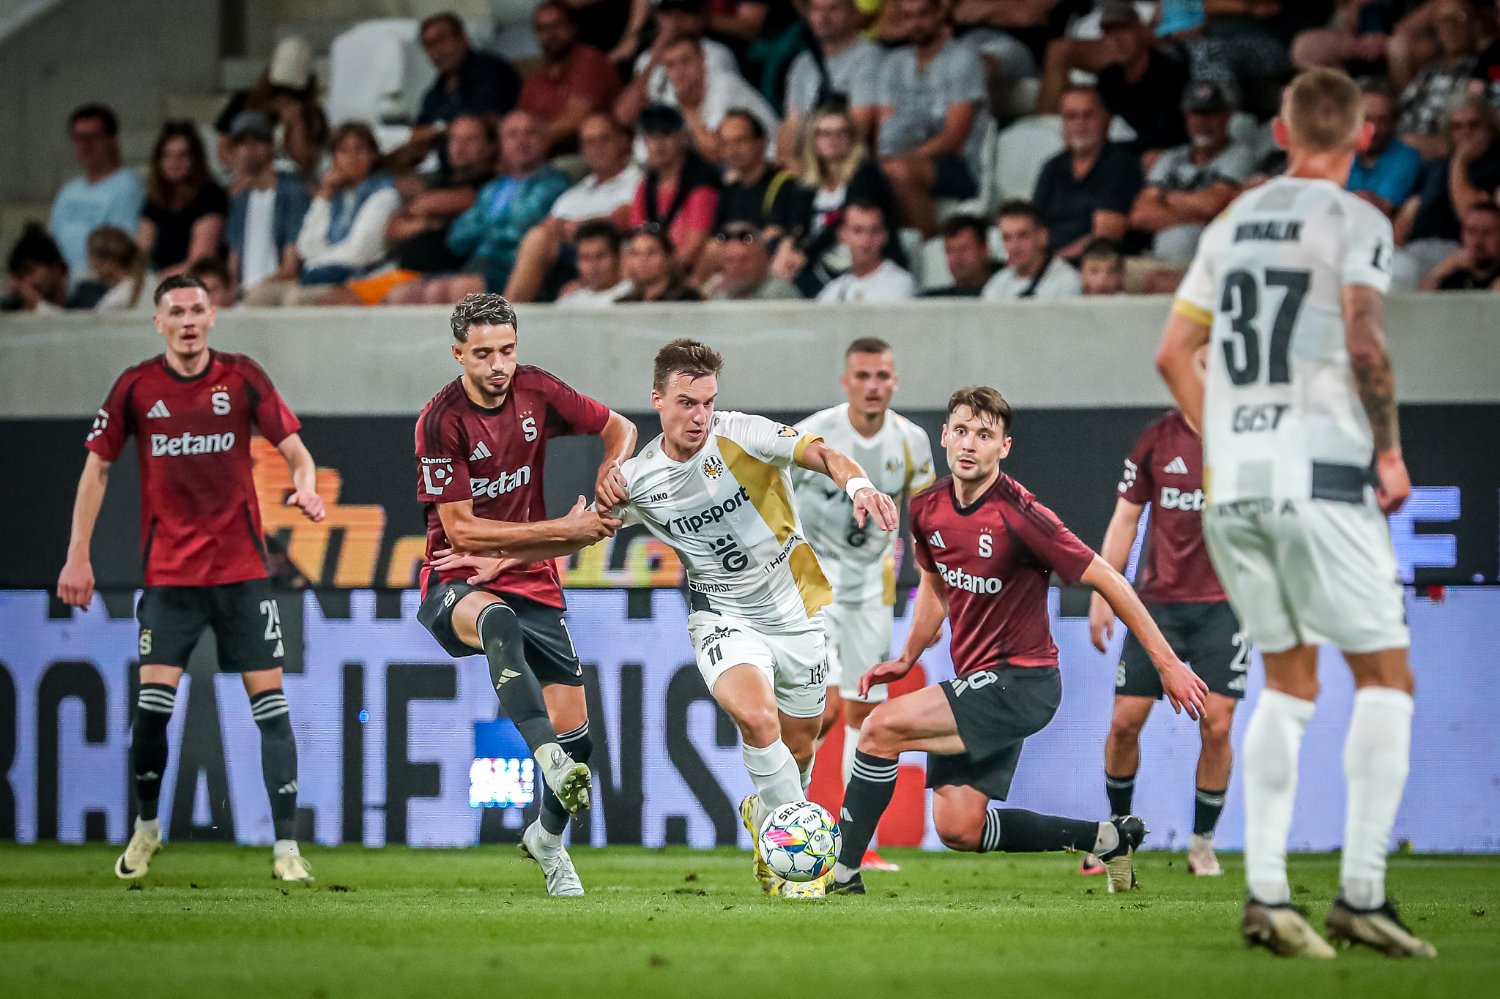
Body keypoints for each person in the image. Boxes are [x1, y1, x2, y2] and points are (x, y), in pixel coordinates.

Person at [1157, 67, 1437, 959]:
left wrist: (1228, 436)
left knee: (1288, 681)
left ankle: (1269, 894)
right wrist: (1388, 452)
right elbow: (1364, 337)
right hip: (1320, 474)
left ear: (1279, 134)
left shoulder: (1231, 222)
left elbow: (1173, 352)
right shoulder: (1357, 218)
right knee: (1386, 677)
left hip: (1235, 485)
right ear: (1362, 138)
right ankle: (1362, 893)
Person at [827, 386, 1208, 897]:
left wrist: (1167, 664)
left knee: (878, 728)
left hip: (1023, 683)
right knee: (959, 828)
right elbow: (936, 585)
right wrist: (907, 657)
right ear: (944, 436)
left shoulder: (1022, 515)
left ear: (1004, 447)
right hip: (978, 680)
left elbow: (1109, 580)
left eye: (985, 435)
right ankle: (1108, 838)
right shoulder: (928, 508)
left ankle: (842, 876)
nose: (970, 444)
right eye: (962, 431)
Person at [599, 338, 899, 896]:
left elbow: (824, 455)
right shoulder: (637, 480)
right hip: (723, 616)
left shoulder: (743, 434)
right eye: (686, 403)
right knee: (758, 719)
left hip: (796, 612)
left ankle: (766, 816)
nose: (699, 416)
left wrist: (858, 485)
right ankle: (800, 870)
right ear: (657, 400)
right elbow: (581, 528)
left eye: (707, 402)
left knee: (801, 746)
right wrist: (497, 554)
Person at [56, 274, 326, 883]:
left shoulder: (241, 376)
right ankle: (147, 827)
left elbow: (295, 450)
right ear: (158, 322)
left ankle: (286, 847)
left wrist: (306, 487)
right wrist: (78, 555)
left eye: (197, 310)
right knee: (152, 712)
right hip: (170, 578)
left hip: (242, 574)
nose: (187, 321)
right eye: (175, 312)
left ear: (212, 316)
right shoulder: (136, 387)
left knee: (271, 710)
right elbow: (96, 470)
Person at [412, 293, 637, 896]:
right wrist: (566, 529)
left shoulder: (537, 390)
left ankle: (547, 840)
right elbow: (463, 532)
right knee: (498, 623)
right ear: (458, 354)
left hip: (532, 577)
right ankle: (546, 758)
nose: (498, 366)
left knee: (580, 741)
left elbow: (621, 428)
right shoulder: (441, 421)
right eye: (483, 354)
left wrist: (609, 474)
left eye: (507, 351)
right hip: (456, 578)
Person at [1083, 376, 1247, 880]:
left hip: (1226, 606)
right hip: (1157, 608)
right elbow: (1125, 520)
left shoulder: (1247, 439)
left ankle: (1202, 845)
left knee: (1217, 724)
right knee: (1124, 723)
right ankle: (1116, 835)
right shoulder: (1157, 439)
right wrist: (1103, 591)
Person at [793, 338, 934, 872]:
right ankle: (786, 823)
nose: (873, 386)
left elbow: (926, 521)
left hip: (872, 590)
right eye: (863, 376)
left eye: (882, 376)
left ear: (894, 382)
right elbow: (772, 490)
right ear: (845, 382)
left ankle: (855, 844)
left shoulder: (912, 442)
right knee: (819, 709)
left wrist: (932, 587)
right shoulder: (817, 433)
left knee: (863, 714)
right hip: (813, 582)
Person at [393, 111, 569, 305]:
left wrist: (483, 223)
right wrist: (497, 222)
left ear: (545, 141)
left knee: (445, 291)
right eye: (512, 134)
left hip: (512, 267)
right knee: (402, 294)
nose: (521, 141)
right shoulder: (492, 188)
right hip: (476, 264)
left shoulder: (554, 183)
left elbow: (522, 225)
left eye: (530, 133)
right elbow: (457, 238)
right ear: (502, 143)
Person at [323, 112, 498, 306]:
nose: (459, 147)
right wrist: (428, 223)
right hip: (398, 267)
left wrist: (423, 212)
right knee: (333, 298)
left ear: (490, 147)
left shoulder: (491, 185)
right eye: (454, 139)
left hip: (433, 273)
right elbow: (393, 228)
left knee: (341, 301)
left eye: (470, 139)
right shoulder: (439, 179)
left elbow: (445, 202)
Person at [243, 123, 400, 306]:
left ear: (373, 155)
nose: (352, 157)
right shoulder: (333, 195)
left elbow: (359, 252)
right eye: (344, 151)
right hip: (319, 275)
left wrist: (319, 261)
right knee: (257, 297)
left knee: (297, 299)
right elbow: (306, 247)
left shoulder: (384, 194)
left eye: (359, 150)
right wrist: (324, 194)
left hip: (357, 277)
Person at [875, 0, 992, 236]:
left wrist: (900, 160)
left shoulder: (963, 60)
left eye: (923, 15)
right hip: (904, 158)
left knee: (900, 171)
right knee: (864, 174)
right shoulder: (893, 64)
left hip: (959, 164)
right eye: (908, 17)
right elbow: (886, 128)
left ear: (940, 13)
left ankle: (927, 245)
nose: (916, 24)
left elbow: (953, 138)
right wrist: (884, 160)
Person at [504, 114, 642, 304]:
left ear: (623, 141)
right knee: (536, 238)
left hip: (612, 256)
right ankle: (508, 314)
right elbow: (547, 227)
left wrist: (571, 227)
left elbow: (619, 220)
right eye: (590, 142)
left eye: (605, 139)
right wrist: (576, 226)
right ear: (582, 150)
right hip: (571, 261)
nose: (598, 148)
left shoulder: (637, 180)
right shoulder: (576, 191)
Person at [774, 104, 905, 297]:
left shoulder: (867, 176)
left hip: (862, 265)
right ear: (813, 140)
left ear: (852, 139)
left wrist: (803, 254)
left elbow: (845, 222)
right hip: (817, 267)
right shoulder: (806, 185)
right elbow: (795, 225)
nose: (832, 139)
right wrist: (786, 247)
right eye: (825, 134)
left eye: (841, 133)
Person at [1040, 2, 1190, 158]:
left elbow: (1167, 136)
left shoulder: (1168, 73)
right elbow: (1099, 125)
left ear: (1140, 32)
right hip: (1131, 152)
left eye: (1123, 30)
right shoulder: (1110, 78)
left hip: (1172, 152)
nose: (1116, 39)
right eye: (1109, 33)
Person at [1130, 79, 1256, 265]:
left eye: (1211, 114)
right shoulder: (1171, 157)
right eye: (1196, 113)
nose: (1202, 122)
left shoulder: (1239, 155)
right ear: (1186, 116)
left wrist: (1165, 198)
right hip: (1162, 261)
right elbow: (1140, 215)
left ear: (1227, 116)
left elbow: (1214, 205)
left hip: (1213, 262)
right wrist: (1201, 216)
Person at [1394, 94, 1500, 286]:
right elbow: (1408, 214)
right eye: (1457, 127)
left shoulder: (1495, 165)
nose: (1466, 133)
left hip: (1462, 252)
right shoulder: (1434, 167)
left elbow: (1470, 216)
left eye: (1474, 125)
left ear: (1489, 129)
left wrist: (1459, 161)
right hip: (1415, 250)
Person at [393, 12, 520, 169]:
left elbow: (485, 121)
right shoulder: (435, 92)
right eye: (429, 45)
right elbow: (419, 134)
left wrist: (438, 129)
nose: (437, 50)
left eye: (442, 40)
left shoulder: (491, 70)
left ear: (462, 38)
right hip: (450, 170)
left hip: (492, 167)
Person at [694, 110, 808, 284]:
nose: (732, 150)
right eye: (725, 144)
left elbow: (781, 237)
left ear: (760, 143)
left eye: (740, 141)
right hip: (730, 278)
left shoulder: (785, 185)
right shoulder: (729, 190)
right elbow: (717, 238)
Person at [1032, 86, 1141, 260]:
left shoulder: (1119, 165)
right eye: (1071, 116)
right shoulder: (1052, 167)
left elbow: (1105, 236)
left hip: (1095, 264)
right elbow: (1033, 225)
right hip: (1049, 262)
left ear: (1105, 119)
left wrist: (1053, 264)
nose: (1079, 124)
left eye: (1088, 115)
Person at [778, 0, 886, 165]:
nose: (823, 17)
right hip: (807, 161)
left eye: (834, 9)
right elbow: (792, 124)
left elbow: (860, 124)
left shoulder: (870, 57)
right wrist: (788, 159)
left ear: (852, 13)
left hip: (849, 161)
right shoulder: (802, 63)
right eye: (817, 9)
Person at [648, 33, 781, 164]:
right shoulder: (669, 98)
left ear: (702, 60)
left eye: (686, 61)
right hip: (737, 166)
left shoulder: (725, 85)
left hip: (771, 159)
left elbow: (714, 151)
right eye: (671, 65)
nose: (679, 71)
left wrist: (688, 108)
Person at [50, 104, 146, 282]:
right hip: (63, 285)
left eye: (92, 137)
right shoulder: (68, 191)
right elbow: (53, 243)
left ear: (113, 139)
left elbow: (120, 250)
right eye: (78, 138)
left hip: (102, 283)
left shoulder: (127, 186)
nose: (85, 145)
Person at [224, 111, 312, 299]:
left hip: (278, 292)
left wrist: (254, 291)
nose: (249, 149)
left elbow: (291, 265)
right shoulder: (239, 199)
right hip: (243, 295)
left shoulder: (293, 191)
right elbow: (234, 257)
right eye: (241, 142)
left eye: (257, 140)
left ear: (271, 146)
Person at [212, 36, 328, 178]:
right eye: (278, 88)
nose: (283, 93)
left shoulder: (313, 115)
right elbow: (224, 151)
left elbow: (305, 160)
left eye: (292, 90)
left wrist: (296, 123)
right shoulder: (243, 101)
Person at [519, 1, 622, 154]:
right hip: (546, 156)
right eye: (543, 28)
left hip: (591, 152)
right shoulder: (533, 80)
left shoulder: (589, 60)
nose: (551, 34)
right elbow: (521, 124)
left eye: (557, 25)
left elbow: (577, 118)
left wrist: (531, 139)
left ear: (572, 27)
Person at [616, 0, 740, 126]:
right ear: (657, 17)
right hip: (655, 132)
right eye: (668, 12)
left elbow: (715, 119)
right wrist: (653, 62)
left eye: (686, 10)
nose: (676, 18)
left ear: (701, 17)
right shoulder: (647, 58)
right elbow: (623, 116)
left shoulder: (715, 53)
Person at [629, 104, 722, 272]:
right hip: (654, 269)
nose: (658, 144)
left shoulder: (702, 183)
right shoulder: (646, 185)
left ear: (682, 136)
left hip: (689, 273)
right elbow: (637, 237)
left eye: (666, 134)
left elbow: (693, 249)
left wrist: (657, 275)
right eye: (651, 136)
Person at [138, 121, 229, 277]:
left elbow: (199, 262)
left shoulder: (210, 196)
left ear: (195, 159)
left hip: (195, 281)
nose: (174, 162)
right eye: (167, 155)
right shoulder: (155, 200)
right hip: (159, 281)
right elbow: (140, 253)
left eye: (182, 155)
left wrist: (151, 282)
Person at [1396, 0, 1481, 160]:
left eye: (1459, 17)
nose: (1451, 26)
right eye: (1443, 20)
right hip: (1405, 151)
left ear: (1473, 25)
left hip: (1447, 157)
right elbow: (1402, 109)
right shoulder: (1429, 70)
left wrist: (1442, 146)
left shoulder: (1482, 69)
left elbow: (1480, 131)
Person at [1348, 80, 1423, 218]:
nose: (1374, 129)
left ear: (1394, 123)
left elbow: (1379, 210)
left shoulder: (1406, 157)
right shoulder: (1336, 153)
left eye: (1382, 120)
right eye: (1366, 119)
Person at [815, 201, 916, 302]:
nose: (866, 240)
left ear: (885, 235)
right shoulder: (833, 289)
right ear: (842, 234)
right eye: (858, 230)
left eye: (874, 231)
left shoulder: (899, 283)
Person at [981, 200, 1081, 300]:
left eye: (1022, 235)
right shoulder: (997, 283)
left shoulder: (1067, 281)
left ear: (1042, 236)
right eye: (1007, 238)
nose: (1014, 246)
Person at [702, 222, 802, 299]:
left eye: (744, 259)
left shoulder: (778, 295)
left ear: (763, 261)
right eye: (730, 261)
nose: (737, 266)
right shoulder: (721, 295)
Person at [2, 224, 83, 312]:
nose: (27, 282)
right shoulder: (11, 304)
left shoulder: (87, 298)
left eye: (30, 271)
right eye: (21, 276)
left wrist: (40, 307)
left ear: (56, 268)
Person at [1420, 202, 1500, 290]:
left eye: (1487, 232)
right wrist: (1438, 273)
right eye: (1471, 231)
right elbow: (1423, 295)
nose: (1477, 240)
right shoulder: (1453, 273)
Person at [555, 220, 633, 306]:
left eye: (600, 256)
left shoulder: (634, 295)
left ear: (617, 257)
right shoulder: (569, 302)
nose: (593, 265)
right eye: (585, 258)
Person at [617, 226, 704, 302]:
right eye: (635, 253)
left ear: (668, 257)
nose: (643, 260)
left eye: (651, 253)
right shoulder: (626, 302)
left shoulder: (687, 299)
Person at [921, 213, 996, 296]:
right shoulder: (931, 299)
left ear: (984, 249)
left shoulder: (1004, 292)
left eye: (963, 249)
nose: (956, 258)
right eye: (950, 250)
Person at [88, 226, 154, 311]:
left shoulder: (112, 304)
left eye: (90, 256)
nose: (89, 263)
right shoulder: (152, 281)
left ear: (106, 262)